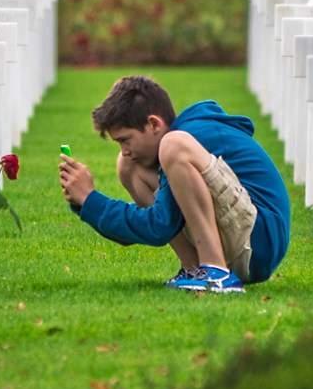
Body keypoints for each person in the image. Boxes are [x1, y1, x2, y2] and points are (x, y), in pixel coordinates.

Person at [57, 75, 290, 293]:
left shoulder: (185, 139)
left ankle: (215, 272)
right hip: (241, 236)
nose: (125, 150)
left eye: (125, 140)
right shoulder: (171, 146)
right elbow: (159, 224)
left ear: (154, 124)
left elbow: (159, 226)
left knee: (173, 145)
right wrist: (84, 203)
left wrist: (90, 199)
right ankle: (194, 269)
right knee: (127, 166)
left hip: (260, 240)